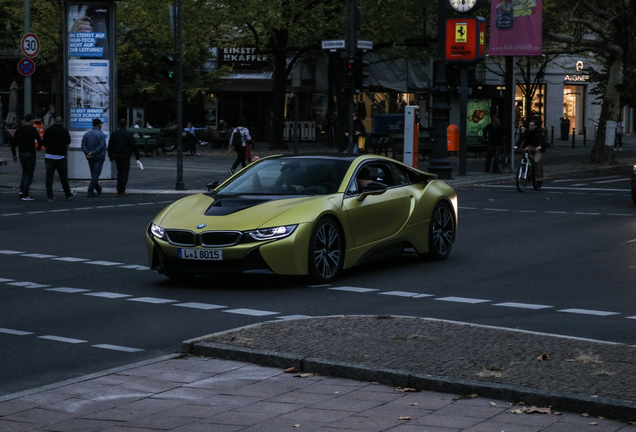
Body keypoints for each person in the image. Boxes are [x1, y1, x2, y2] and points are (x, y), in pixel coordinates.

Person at [11, 113, 43, 201]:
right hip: (30, 153)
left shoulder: (19, 129)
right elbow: (39, 140)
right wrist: (39, 148)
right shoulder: (32, 129)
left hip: (21, 153)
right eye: (33, 120)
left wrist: (14, 154)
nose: (34, 121)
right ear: (31, 120)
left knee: (24, 172)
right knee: (29, 174)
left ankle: (21, 191)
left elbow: (13, 143)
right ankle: (25, 193)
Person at [43, 116, 76, 202]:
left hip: (49, 156)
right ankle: (67, 193)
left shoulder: (48, 131)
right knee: (63, 177)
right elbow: (68, 141)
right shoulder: (64, 131)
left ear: (54, 122)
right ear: (62, 122)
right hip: (60, 156)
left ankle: (50, 196)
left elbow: (44, 142)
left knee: (49, 177)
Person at [108, 119, 141, 196]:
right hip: (125, 155)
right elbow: (134, 146)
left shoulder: (114, 134)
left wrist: (110, 156)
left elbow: (110, 146)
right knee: (124, 172)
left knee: (119, 172)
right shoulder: (128, 134)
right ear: (126, 125)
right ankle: (121, 189)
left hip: (117, 155)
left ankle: (119, 188)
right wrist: (137, 156)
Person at [514, 118, 545, 185]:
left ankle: (539, 178)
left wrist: (540, 146)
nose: (530, 126)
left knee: (536, 161)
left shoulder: (539, 132)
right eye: (529, 125)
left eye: (532, 125)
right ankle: (525, 168)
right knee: (524, 154)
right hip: (530, 145)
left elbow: (542, 140)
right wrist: (516, 145)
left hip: (538, 147)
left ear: (536, 126)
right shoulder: (527, 131)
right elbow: (521, 138)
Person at [81, 118, 107, 197]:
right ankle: (90, 191)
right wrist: (93, 152)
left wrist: (88, 153)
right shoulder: (101, 134)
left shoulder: (87, 134)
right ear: (99, 125)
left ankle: (98, 188)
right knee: (96, 174)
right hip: (99, 156)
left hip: (90, 157)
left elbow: (83, 145)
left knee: (93, 174)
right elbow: (101, 146)